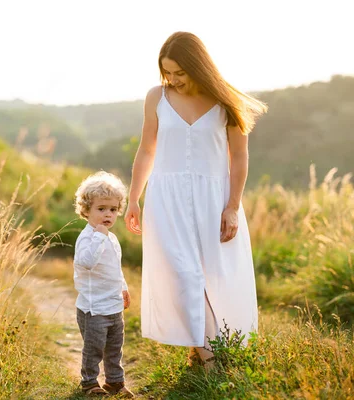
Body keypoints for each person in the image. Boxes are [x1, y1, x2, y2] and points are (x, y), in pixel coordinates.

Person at [124, 31, 267, 370]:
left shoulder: (227, 101)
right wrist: (134, 198)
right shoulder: (155, 97)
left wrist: (232, 206)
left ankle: (202, 349)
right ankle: (212, 358)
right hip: (166, 198)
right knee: (181, 272)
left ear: (198, 67)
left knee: (214, 276)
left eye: (180, 73)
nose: (172, 80)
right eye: (167, 72)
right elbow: (147, 149)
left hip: (214, 199)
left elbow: (240, 157)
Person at [73, 171, 135, 397]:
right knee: (94, 349)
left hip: (113, 305)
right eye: (101, 209)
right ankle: (89, 383)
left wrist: (124, 287)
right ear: (86, 210)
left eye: (112, 209)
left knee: (114, 348)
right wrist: (99, 236)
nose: (107, 214)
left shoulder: (110, 237)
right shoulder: (89, 237)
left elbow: (115, 267)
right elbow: (86, 262)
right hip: (93, 308)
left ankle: (114, 382)